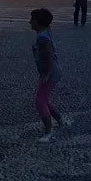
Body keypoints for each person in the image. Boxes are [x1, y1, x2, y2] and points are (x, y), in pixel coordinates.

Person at [29, 8, 66, 143]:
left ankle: (49, 132)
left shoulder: (43, 37)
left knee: (40, 101)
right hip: (49, 71)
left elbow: (50, 55)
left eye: (31, 19)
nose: (29, 22)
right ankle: (61, 121)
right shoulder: (44, 32)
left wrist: (48, 73)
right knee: (44, 100)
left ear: (38, 22)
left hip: (50, 72)